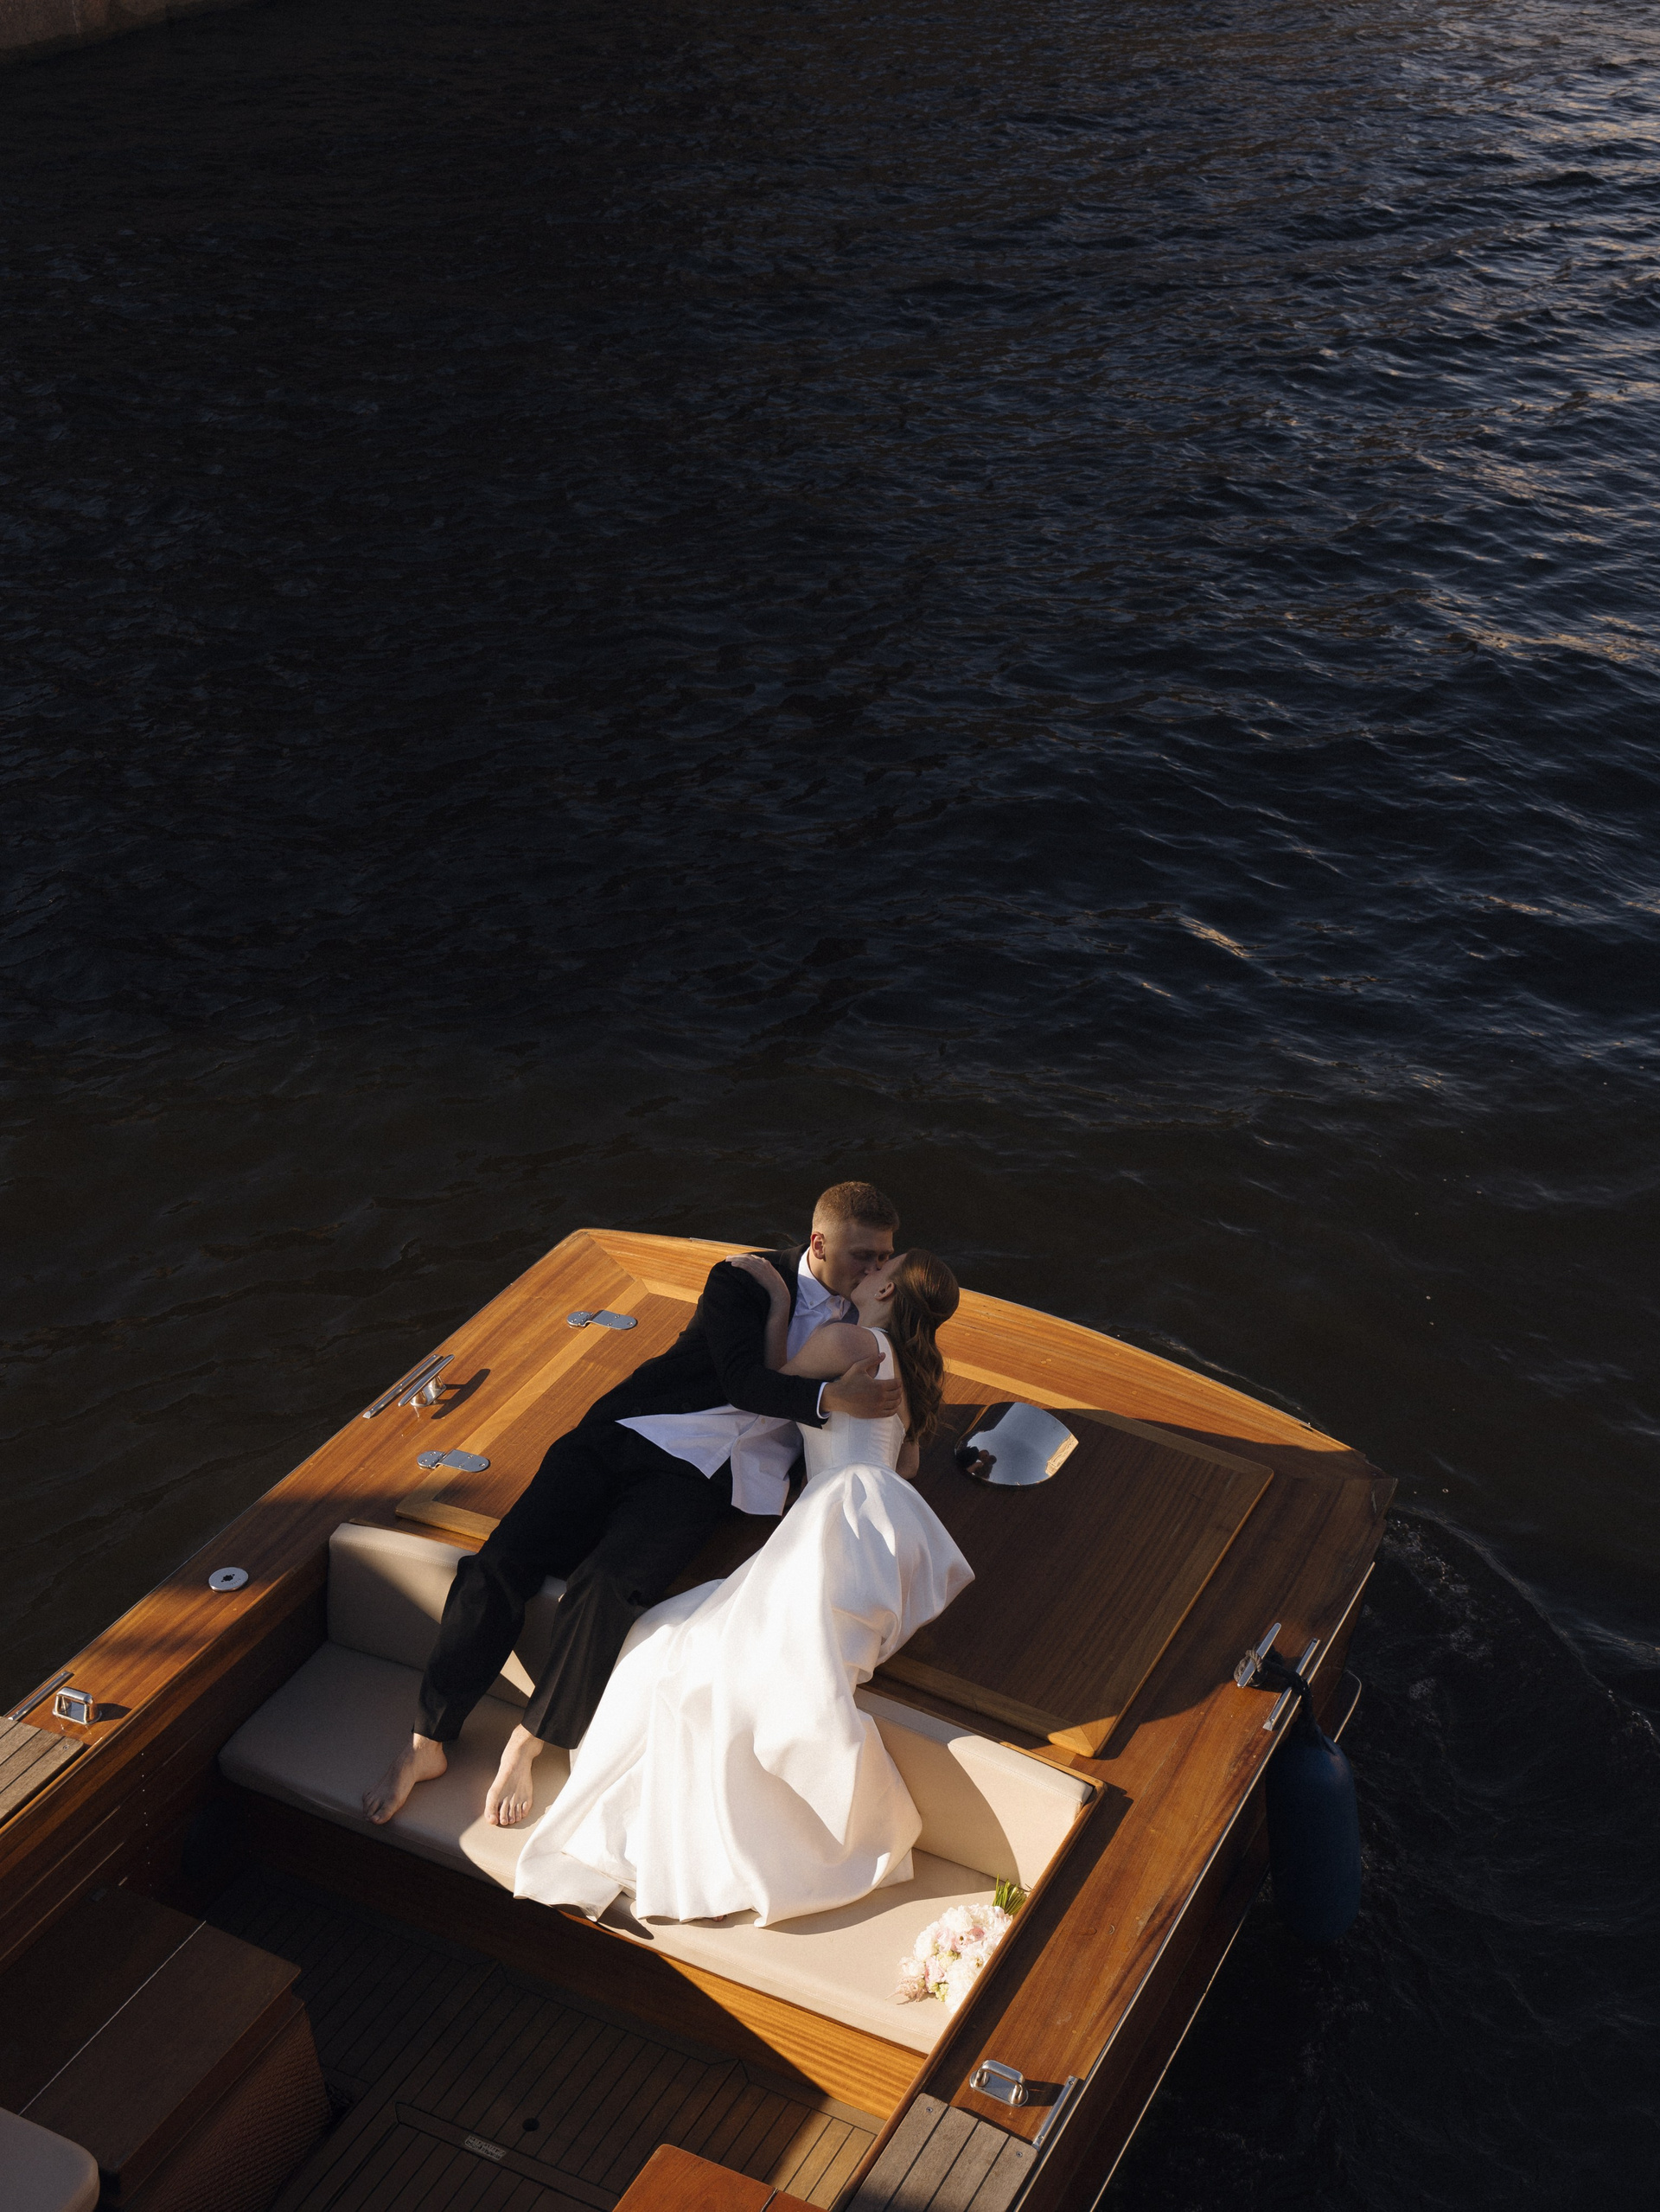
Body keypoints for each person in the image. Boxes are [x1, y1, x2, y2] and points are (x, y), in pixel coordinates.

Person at [363, 1181, 906, 1827]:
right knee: (500, 1562)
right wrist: (828, 1399)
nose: (876, 1270)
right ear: (818, 1243)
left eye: (884, 1257)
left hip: (710, 1477)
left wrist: (872, 1336)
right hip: (632, 1430)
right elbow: (742, 1382)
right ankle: (427, 1740)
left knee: (608, 1585)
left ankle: (529, 1741)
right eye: (863, 1256)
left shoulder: (878, 1313)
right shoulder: (746, 1279)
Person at [512, 1246, 972, 1927]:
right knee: (773, 1650)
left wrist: (779, 1306)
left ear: (888, 1290)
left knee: (683, 1645)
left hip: (832, 1510)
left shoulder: (847, 1340)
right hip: (881, 1517)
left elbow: (764, 1384)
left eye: (880, 1269)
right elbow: (904, 1462)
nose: (867, 1272)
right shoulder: (909, 1369)